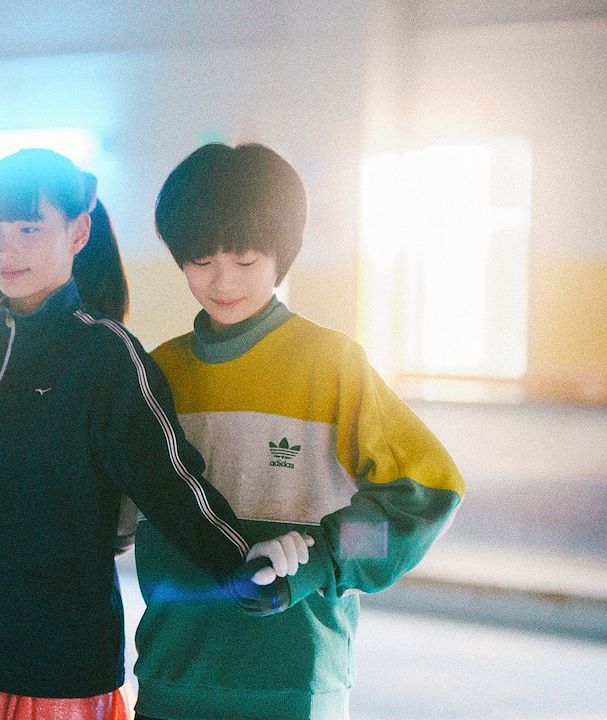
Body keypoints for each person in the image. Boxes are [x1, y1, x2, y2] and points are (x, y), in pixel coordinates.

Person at [0, 148, 308, 720]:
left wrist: (239, 557)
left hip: (62, 668)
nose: (6, 249)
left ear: (78, 232)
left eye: (29, 229)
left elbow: (168, 480)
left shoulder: (107, 357)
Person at [132, 142, 465, 720]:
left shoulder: (332, 366)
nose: (222, 281)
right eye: (201, 261)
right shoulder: (156, 373)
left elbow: (424, 499)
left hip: (294, 685)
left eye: (244, 260)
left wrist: (325, 557)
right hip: (173, 679)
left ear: (280, 256)